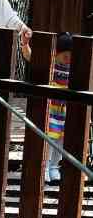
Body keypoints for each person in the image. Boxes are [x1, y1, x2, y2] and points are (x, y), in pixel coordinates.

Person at [45, 32, 72, 183]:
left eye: (70, 57)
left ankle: (55, 166)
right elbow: (30, 57)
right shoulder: (51, 65)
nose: (68, 60)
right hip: (52, 107)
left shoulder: (74, 69)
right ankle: (46, 166)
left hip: (65, 109)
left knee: (61, 138)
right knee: (50, 138)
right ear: (56, 53)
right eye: (64, 56)